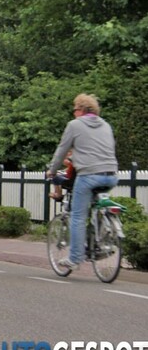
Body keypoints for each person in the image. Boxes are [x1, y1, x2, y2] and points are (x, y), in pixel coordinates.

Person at [46, 93, 118, 271]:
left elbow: (62, 150)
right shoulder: (106, 125)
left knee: (78, 216)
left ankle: (75, 257)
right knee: (96, 206)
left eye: (75, 109)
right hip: (111, 175)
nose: (73, 113)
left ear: (82, 110)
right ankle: (100, 237)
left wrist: (52, 170)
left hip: (88, 175)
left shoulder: (74, 125)